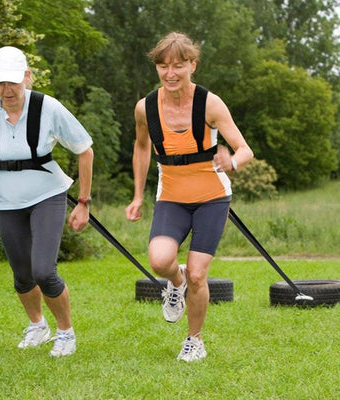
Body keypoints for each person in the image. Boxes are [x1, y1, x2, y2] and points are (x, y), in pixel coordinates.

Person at [0, 46, 94, 358]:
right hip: (6, 200)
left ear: (27, 78)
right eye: (0, 83)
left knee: (44, 270)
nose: (7, 90)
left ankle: (65, 332)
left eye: (13, 82)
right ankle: (38, 326)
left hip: (47, 194)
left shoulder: (48, 107)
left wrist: (83, 201)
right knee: (21, 274)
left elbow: (85, 150)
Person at [125, 32, 254, 362]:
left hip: (212, 196)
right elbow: (141, 148)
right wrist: (138, 195)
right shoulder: (145, 108)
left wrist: (232, 162)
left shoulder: (210, 103)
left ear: (192, 65)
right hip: (171, 196)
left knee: (199, 273)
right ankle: (175, 283)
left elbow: (244, 150)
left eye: (178, 66)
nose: (170, 73)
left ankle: (194, 340)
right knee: (159, 260)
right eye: (163, 66)